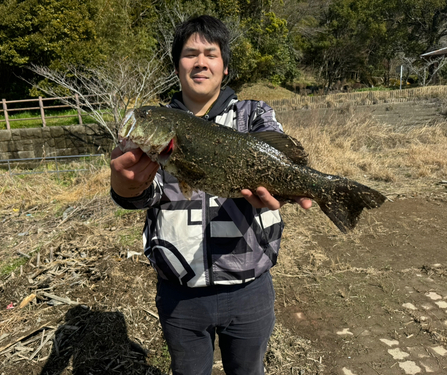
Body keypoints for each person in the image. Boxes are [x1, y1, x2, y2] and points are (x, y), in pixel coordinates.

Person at [110, 15, 311, 375]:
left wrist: (298, 186)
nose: (200, 62)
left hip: (249, 288)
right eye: (190, 54)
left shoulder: (254, 115)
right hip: (180, 293)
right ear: (176, 67)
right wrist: (124, 186)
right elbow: (145, 194)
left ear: (226, 66)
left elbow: (280, 161)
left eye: (210, 54)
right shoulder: (162, 126)